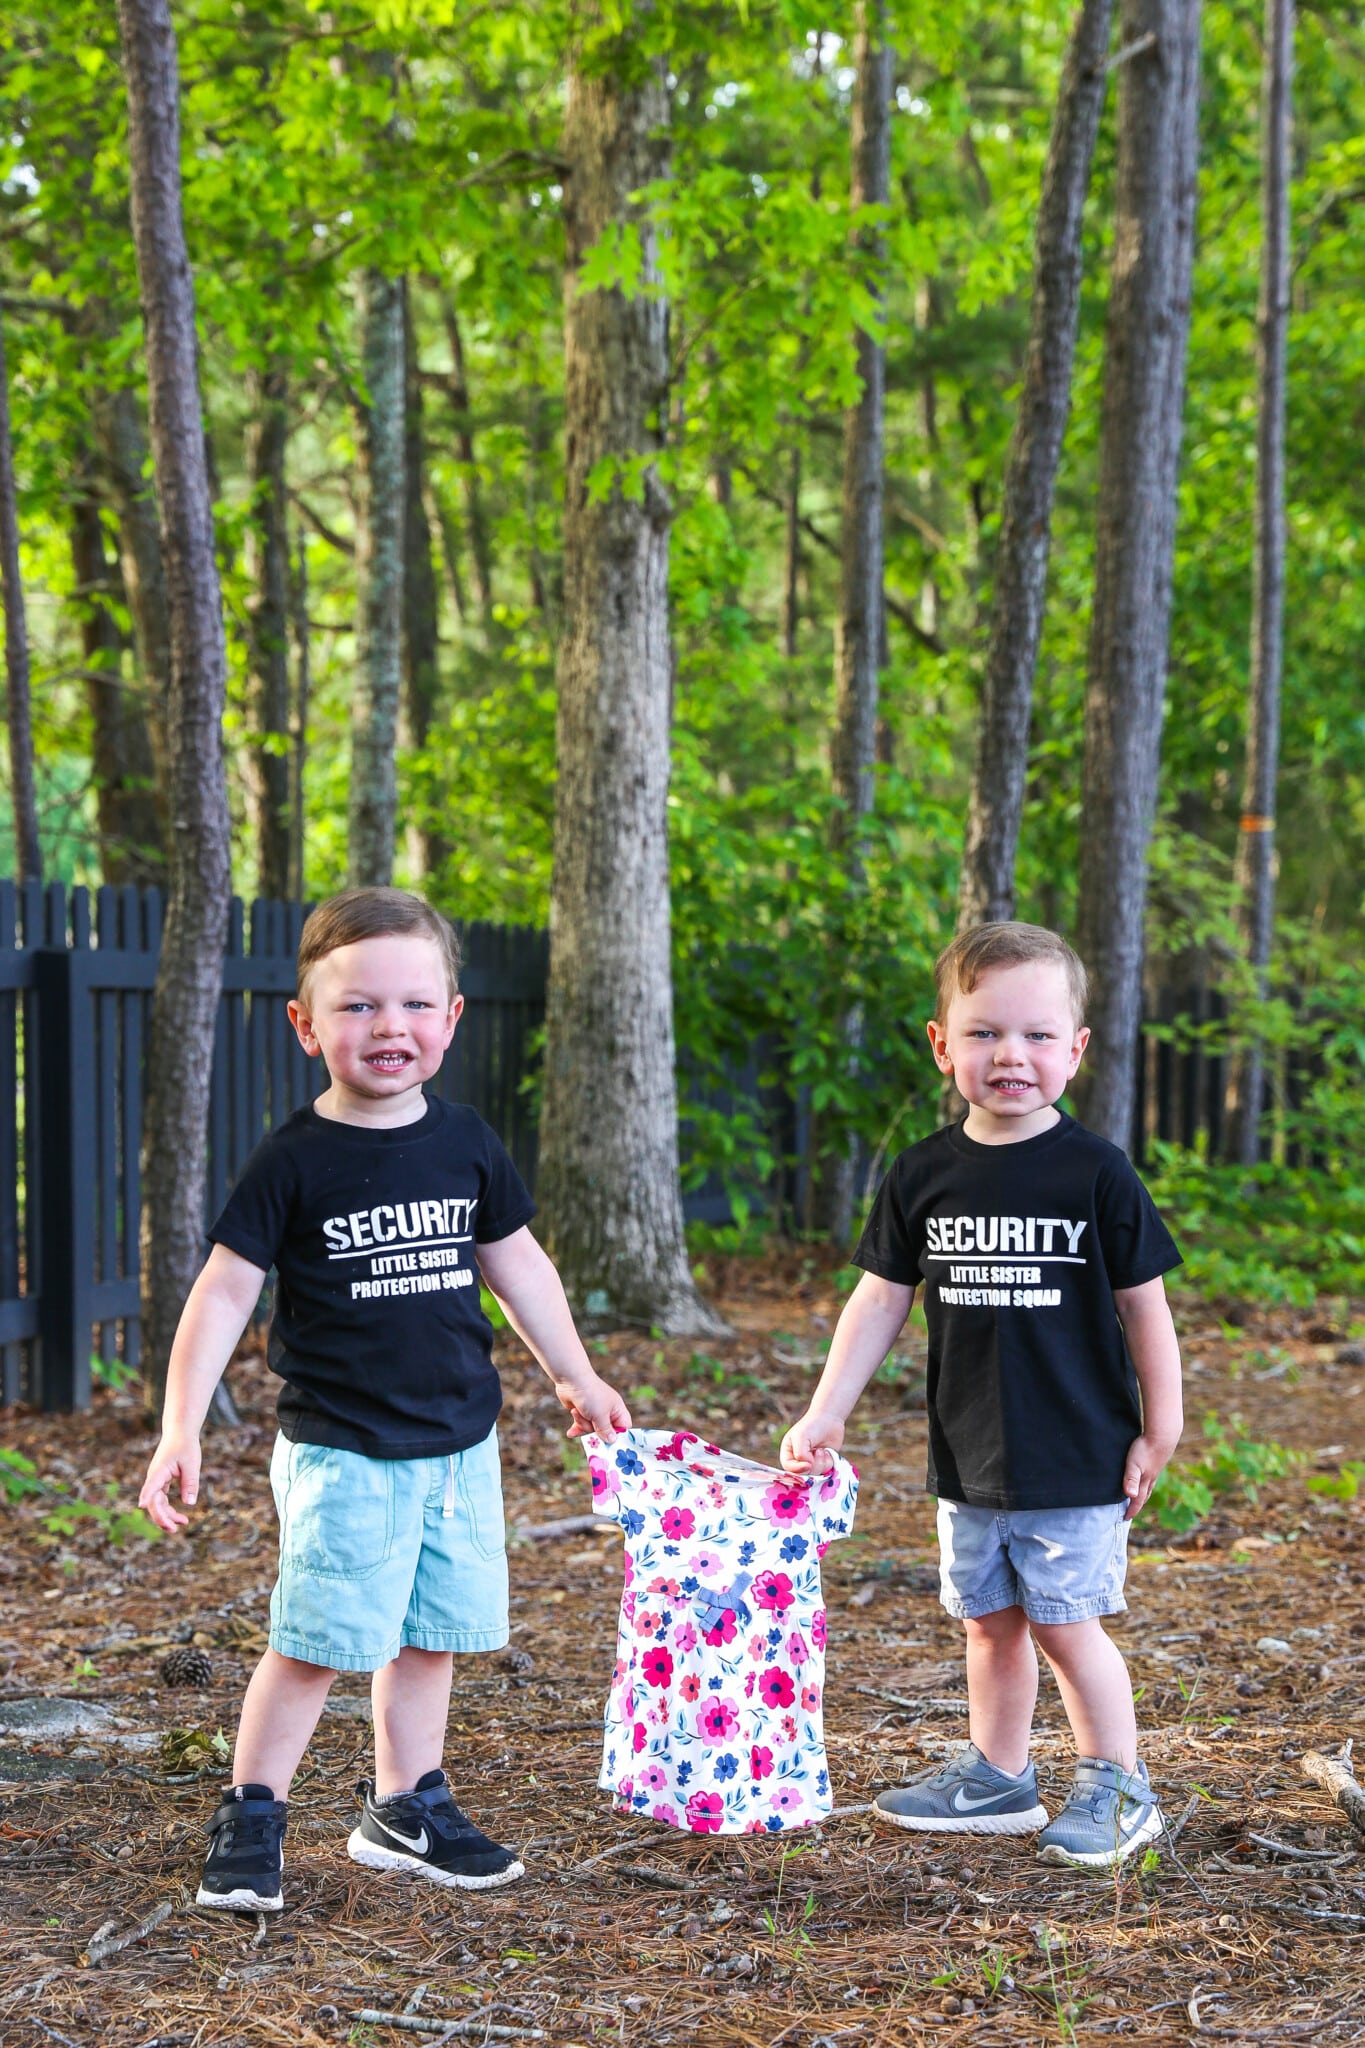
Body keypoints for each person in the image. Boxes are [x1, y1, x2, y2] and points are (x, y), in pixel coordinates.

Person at [139, 887, 630, 1912]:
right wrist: (181, 1421)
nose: (388, 1027)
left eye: (414, 1005)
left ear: (451, 1020)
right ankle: (252, 1808)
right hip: (345, 1448)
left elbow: (517, 1261)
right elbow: (225, 1287)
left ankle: (405, 1804)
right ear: (306, 1023)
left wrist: (574, 1370)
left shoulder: (465, 1141)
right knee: (319, 1638)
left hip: (459, 1441)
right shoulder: (294, 1158)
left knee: (430, 1633)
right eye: (357, 1006)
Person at [781, 922, 1183, 1870]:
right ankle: (998, 1779)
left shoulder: (1095, 1173)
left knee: (1062, 1622)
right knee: (989, 1620)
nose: (1012, 1056)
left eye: (1039, 1036)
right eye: (986, 1033)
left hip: (1076, 1450)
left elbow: (1145, 1307)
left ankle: (1117, 1784)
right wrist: (826, 1407)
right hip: (968, 1452)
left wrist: (1160, 1425)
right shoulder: (924, 1172)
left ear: (1075, 1051)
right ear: (941, 1044)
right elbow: (879, 1296)